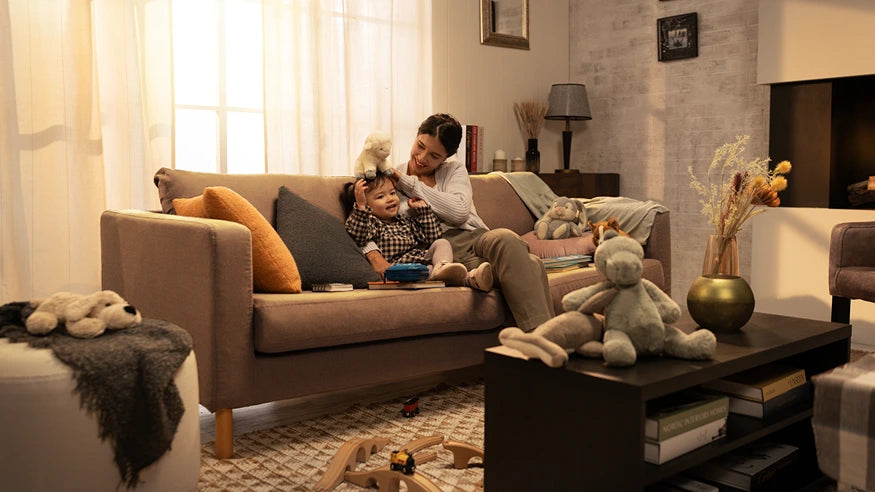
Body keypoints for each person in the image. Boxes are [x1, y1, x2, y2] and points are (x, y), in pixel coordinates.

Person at [364, 113, 555, 331]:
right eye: (420, 146)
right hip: (446, 250)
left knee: (508, 239)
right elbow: (362, 216)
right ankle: (546, 339)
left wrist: (409, 183)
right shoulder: (388, 180)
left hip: (479, 235)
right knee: (531, 265)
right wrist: (374, 255)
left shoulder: (452, 170)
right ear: (416, 136)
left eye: (434, 155)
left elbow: (459, 212)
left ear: (446, 158)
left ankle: (541, 343)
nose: (422, 158)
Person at [343, 175, 492, 290]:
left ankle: (444, 267)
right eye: (380, 197)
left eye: (392, 193)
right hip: (402, 268)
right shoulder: (371, 224)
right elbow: (357, 235)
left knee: (441, 242)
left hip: (422, 259)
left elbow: (431, 237)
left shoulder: (403, 221)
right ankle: (469, 278)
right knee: (429, 270)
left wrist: (423, 210)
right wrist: (361, 208)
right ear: (366, 204)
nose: (390, 199)